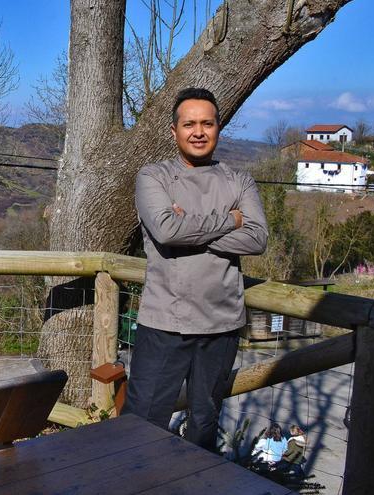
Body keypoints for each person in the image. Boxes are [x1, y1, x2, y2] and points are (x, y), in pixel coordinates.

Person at [124, 87, 268, 452]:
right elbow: (166, 230)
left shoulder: (240, 180)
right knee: (142, 420)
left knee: (204, 423)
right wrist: (230, 220)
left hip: (222, 325)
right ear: (174, 131)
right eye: (189, 124)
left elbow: (256, 239)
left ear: (219, 128)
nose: (199, 131)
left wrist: (191, 228)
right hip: (164, 323)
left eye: (207, 123)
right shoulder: (153, 177)